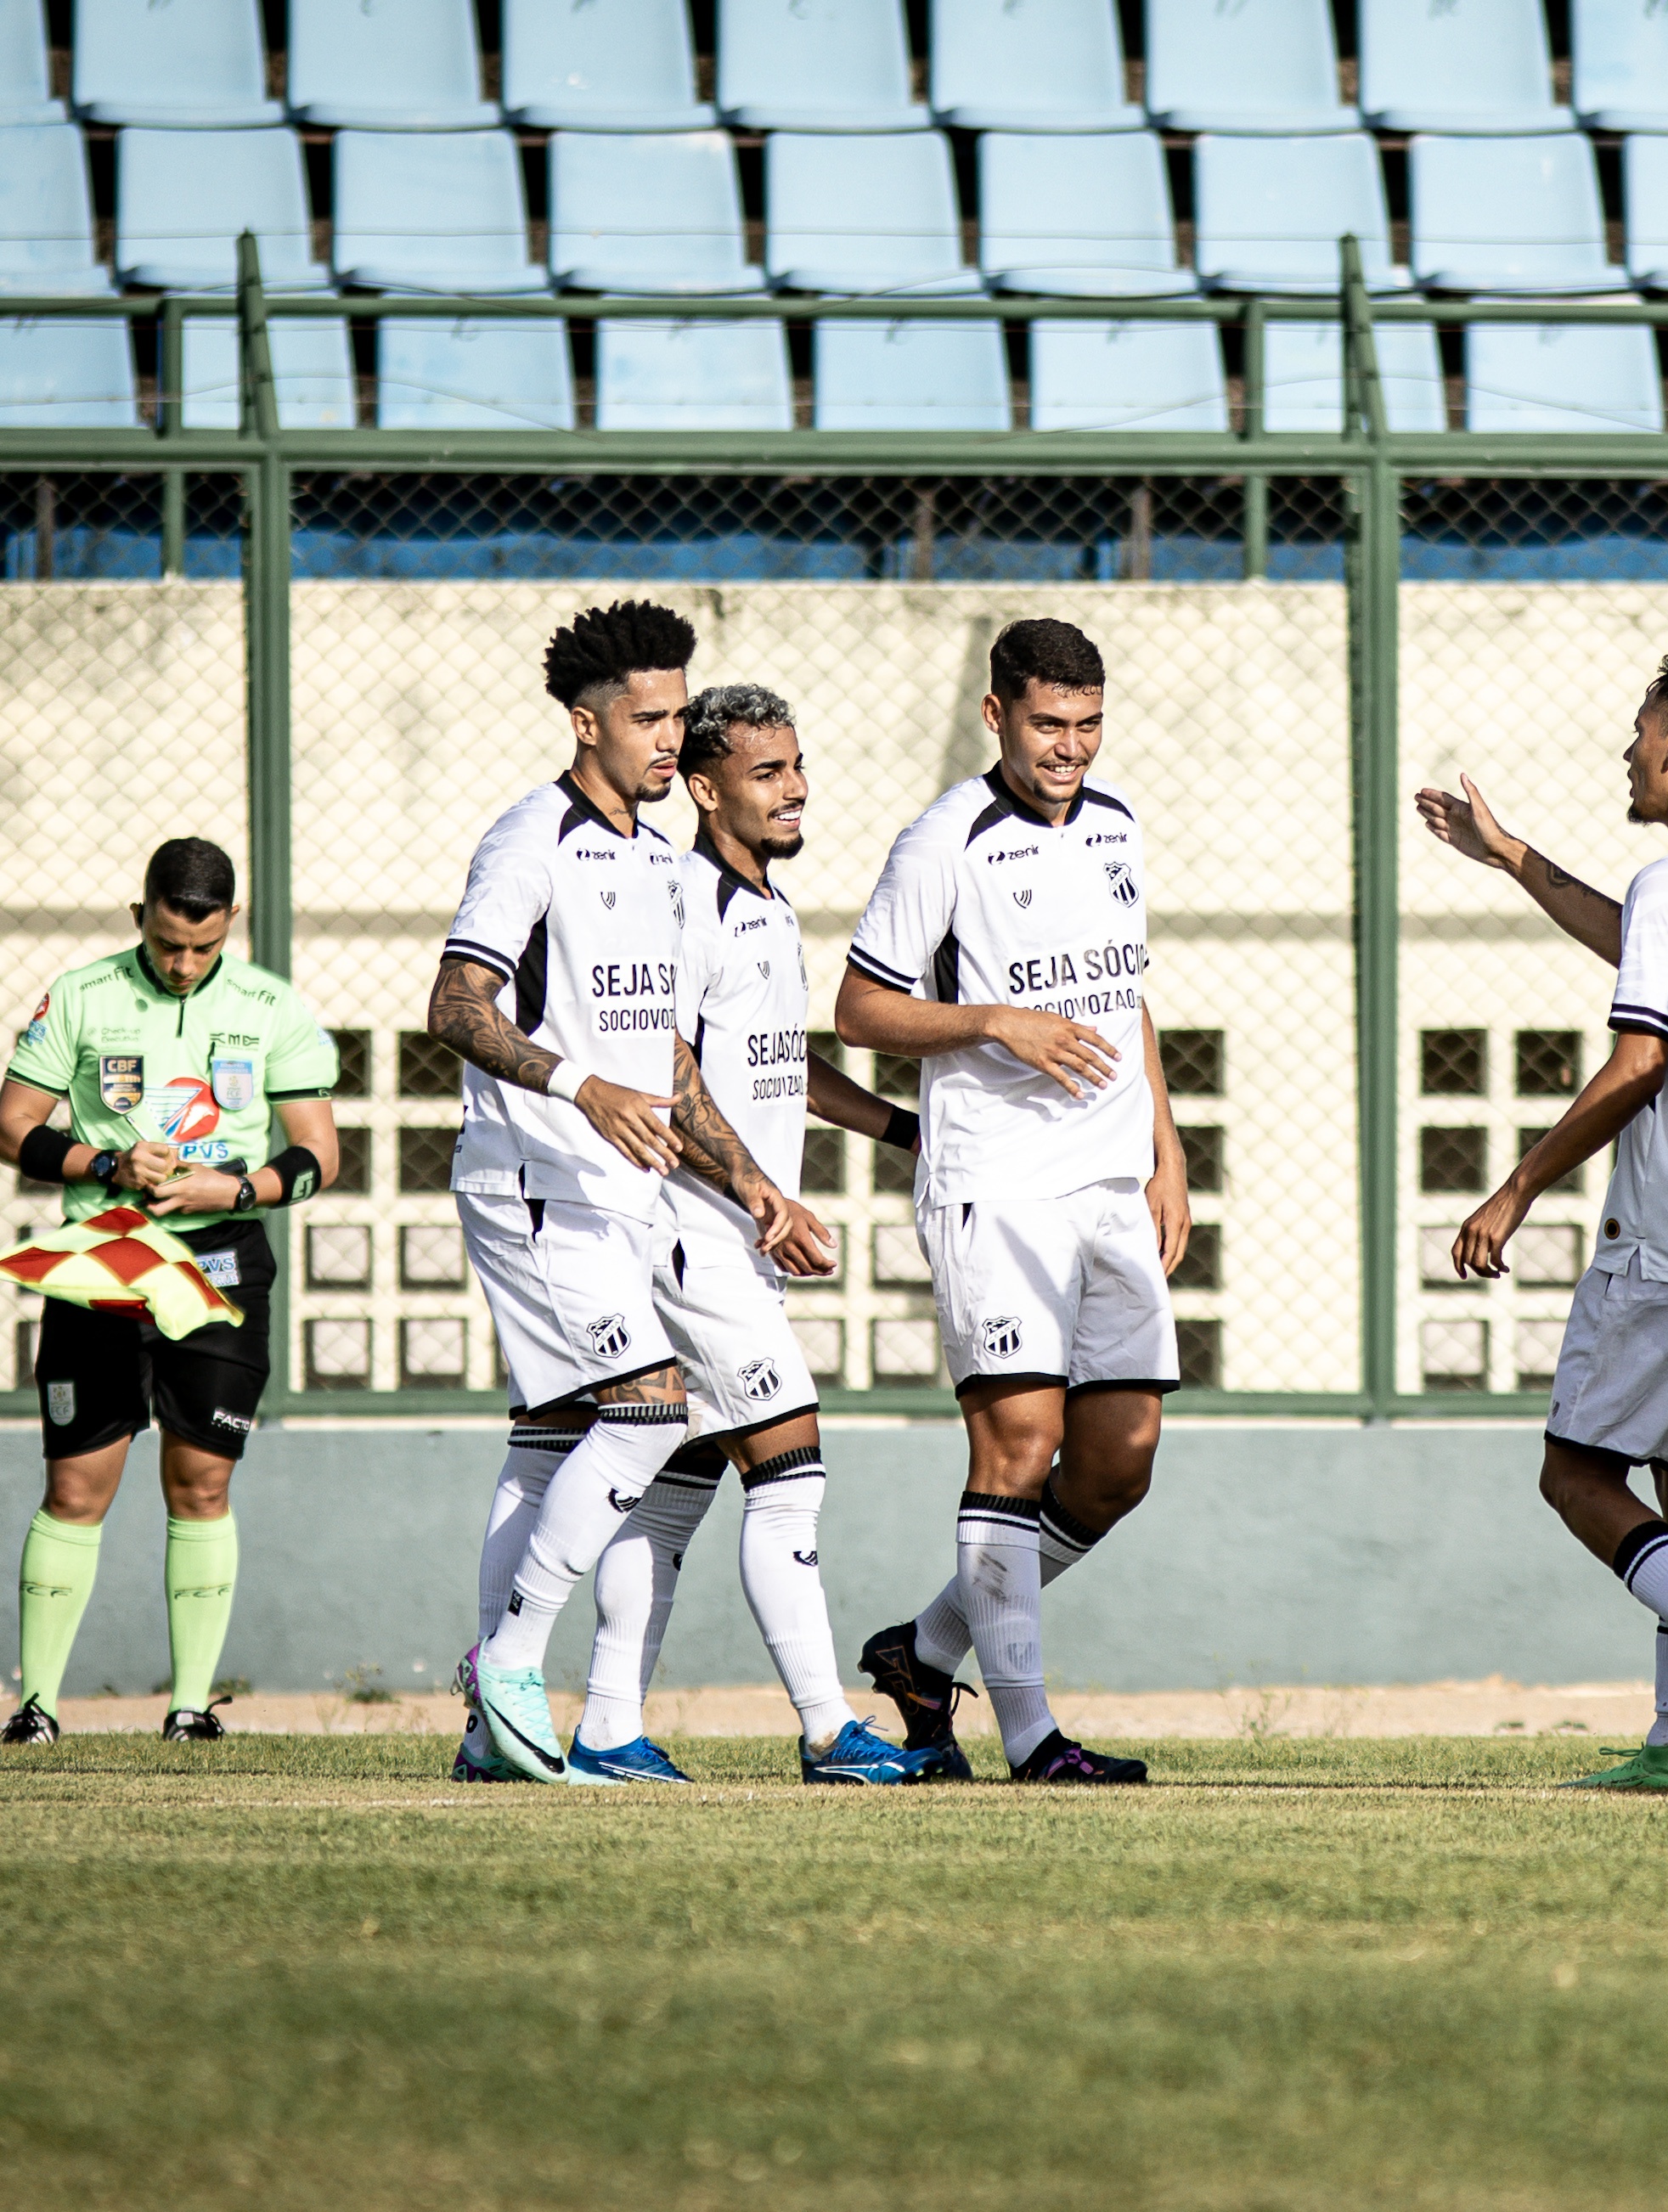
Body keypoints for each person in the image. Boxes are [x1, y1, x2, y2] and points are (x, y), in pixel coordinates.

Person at [438, 601, 820, 1785]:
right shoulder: (529, 839)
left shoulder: (663, 862)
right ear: (585, 721)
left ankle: (492, 1734)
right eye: (647, 717)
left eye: (675, 713)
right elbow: (456, 1006)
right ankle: (505, 1662)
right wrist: (576, 1083)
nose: (669, 736)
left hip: (622, 1193)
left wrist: (755, 1182)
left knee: (557, 1439)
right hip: (533, 1178)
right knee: (652, 1409)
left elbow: (670, 1064)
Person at [540, 684, 943, 1787]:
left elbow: (781, 1065)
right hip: (689, 1235)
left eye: (798, 766)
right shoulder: (683, 897)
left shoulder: (766, 905)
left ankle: (608, 1730)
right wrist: (763, 1190)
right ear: (707, 788)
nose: (797, 787)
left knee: (675, 1499)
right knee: (793, 1461)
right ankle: (826, 1730)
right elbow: (666, 1068)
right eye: (768, 773)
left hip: (734, 1238)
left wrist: (902, 1126)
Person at [1418, 650, 1668, 1793]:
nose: (1627, 750)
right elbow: (1642, 939)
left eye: (1641, 728)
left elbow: (1641, 1061)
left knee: (1575, 1475)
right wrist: (1514, 855)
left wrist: (1519, 1184)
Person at [843, 619, 1196, 1787]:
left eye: (1089, 724)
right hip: (994, 1186)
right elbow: (859, 1010)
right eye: (1050, 724)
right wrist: (995, 1019)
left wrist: (1168, 1144)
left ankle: (925, 1647)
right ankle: (1033, 1737)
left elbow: (1126, 991)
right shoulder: (944, 840)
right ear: (996, 715)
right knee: (1022, 1440)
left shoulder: (1118, 823)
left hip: (1109, 1188)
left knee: (1118, 1461)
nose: (1071, 747)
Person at [0, 840, 341, 1745]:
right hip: (104, 1265)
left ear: (230, 923)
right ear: (140, 916)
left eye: (201, 945)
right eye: (165, 944)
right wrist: (105, 1160)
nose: (183, 963)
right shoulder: (79, 994)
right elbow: (12, 1126)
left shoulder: (272, 1006)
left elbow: (318, 1154)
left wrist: (232, 1189)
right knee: (76, 1485)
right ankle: (36, 1709)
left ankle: (190, 1708)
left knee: (201, 1483)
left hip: (219, 1264)